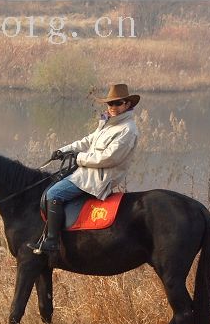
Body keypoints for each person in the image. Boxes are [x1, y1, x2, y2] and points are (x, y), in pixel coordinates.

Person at [28, 83, 141, 254]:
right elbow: (87, 141)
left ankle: (52, 242)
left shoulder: (127, 130)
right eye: (110, 103)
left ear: (127, 104)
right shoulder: (108, 124)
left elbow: (109, 157)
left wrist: (79, 158)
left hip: (98, 178)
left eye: (118, 103)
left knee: (53, 194)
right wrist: (65, 150)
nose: (113, 107)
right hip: (88, 172)